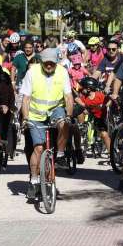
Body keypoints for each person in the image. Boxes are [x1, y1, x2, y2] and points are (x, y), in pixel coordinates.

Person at [21, 48, 74, 199]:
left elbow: (68, 97)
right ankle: (34, 181)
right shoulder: (32, 72)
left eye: (52, 63)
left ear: (56, 62)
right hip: (36, 114)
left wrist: (69, 115)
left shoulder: (63, 72)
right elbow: (25, 99)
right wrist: (25, 118)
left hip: (55, 110)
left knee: (64, 123)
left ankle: (61, 155)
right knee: (38, 148)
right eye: (46, 63)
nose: (49, 66)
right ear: (41, 61)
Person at [75, 76, 111, 156]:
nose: (81, 90)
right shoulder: (84, 97)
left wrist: (104, 106)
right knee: (78, 110)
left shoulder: (99, 95)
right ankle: (82, 127)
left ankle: (111, 153)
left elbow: (109, 101)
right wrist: (80, 103)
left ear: (88, 89)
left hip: (100, 116)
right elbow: (79, 101)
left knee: (104, 134)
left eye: (82, 88)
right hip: (90, 115)